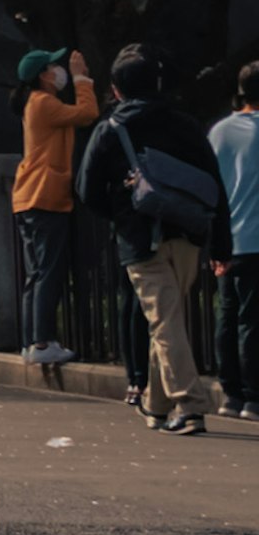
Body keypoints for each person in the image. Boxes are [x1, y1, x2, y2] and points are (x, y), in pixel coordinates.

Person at [72, 50, 226, 436]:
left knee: (164, 322)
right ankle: (156, 405)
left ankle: (189, 406)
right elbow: (214, 188)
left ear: (116, 89)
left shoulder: (111, 130)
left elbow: (86, 190)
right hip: (189, 234)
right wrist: (221, 245)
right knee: (168, 321)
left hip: (141, 240)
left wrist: (122, 215)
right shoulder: (187, 126)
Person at [12, 41, 100, 380]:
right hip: (45, 195)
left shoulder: (35, 103)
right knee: (48, 271)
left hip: (28, 195)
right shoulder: (45, 103)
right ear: (44, 76)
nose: (59, 69)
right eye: (54, 66)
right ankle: (42, 340)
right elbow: (87, 114)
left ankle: (31, 342)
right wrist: (82, 81)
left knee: (36, 273)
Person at [217, 62, 259, 419]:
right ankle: (254, 396)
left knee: (228, 316)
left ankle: (230, 393)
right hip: (257, 239)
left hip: (226, 239)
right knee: (252, 320)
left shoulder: (220, 131)